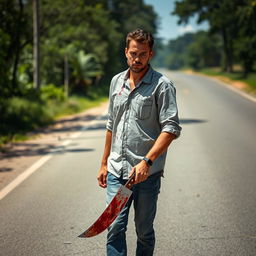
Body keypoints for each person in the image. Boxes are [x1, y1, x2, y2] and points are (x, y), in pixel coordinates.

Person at [97, 29, 181, 256]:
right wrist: (104, 163)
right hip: (117, 173)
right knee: (114, 227)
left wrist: (147, 162)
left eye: (143, 54)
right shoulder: (116, 82)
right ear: (126, 52)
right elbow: (111, 124)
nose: (137, 59)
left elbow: (171, 128)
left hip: (146, 176)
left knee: (144, 231)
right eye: (133, 53)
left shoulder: (162, 85)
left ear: (150, 54)